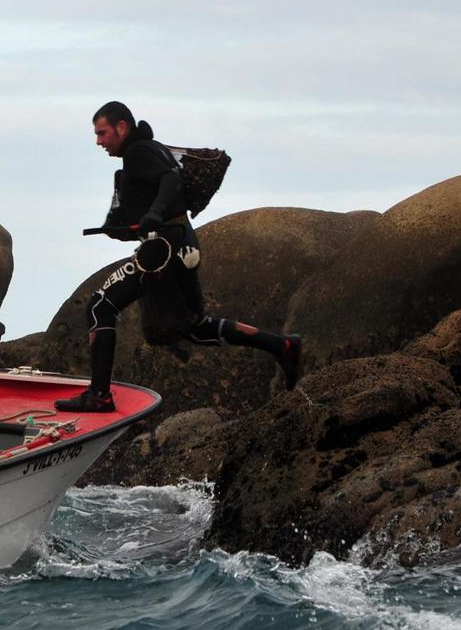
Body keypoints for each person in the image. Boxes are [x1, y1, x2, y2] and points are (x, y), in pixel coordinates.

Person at [54, 101, 303, 413]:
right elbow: (161, 196)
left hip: (163, 250)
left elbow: (170, 182)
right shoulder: (152, 149)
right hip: (185, 242)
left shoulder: (138, 152)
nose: (99, 141)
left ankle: (100, 395)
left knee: (100, 306)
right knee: (195, 326)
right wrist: (125, 226)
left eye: (102, 133)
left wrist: (154, 214)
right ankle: (282, 345)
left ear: (122, 127)